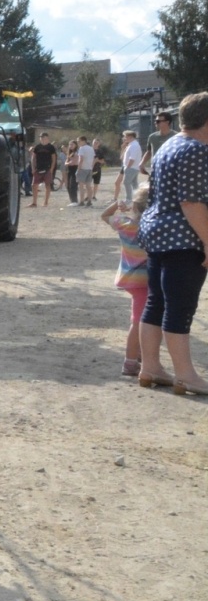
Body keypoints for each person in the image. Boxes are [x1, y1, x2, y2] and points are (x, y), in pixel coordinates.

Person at [135, 91, 208, 395]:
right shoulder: (197, 150)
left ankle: (151, 366)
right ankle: (185, 375)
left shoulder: (169, 146)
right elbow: (192, 203)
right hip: (182, 239)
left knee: (156, 303)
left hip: (157, 235)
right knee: (180, 307)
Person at [101, 185, 150, 377]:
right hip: (145, 281)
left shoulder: (125, 224)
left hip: (129, 279)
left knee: (139, 318)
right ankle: (130, 361)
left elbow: (104, 216)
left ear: (135, 206)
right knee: (140, 321)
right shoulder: (151, 228)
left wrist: (117, 205)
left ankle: (136, 355)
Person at [30, 131, 59, 207]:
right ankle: (34, 202)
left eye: (45, 138)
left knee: (47, 185)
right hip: (38, 168)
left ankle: (46, 202)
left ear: (48, 139)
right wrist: (33, 168)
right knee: (34, 185)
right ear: (40, 139)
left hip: (47, 168)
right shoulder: (37, 147)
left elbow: (54, 159)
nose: (43, 139)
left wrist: (52, 169)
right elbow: (33, 158)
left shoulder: (51, 147)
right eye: (42, 138)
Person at [118, 129, 143, 203]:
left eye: (125, 136)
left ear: (130, 137)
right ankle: (139, 198)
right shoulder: (131, 145)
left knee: (126, 182)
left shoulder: (134, 145)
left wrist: (127, 167)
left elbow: (132, 158)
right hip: (132, 167)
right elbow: (122, 157)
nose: (124, 138)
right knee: (134, 184)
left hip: (131, 167)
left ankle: (129, 199)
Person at [75, 136, 96, 207]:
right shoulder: (91, 148)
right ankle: (89, 201)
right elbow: (93, 159)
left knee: (81, 186)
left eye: (79, 141)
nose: (78, 143)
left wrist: (78, 169)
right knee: (88, 186)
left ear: (83, 141)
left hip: (83, 168)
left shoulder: (82, 148)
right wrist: (91, 167)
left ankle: (82, 201)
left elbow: (81, 159)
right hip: (89, 169)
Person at [64, 139, 81, 206]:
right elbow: (66, 161)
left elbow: (74, 162)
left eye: (72, 144)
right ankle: (72, 200)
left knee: (73, 185)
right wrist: (67, 163)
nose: (70, 146)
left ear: (76, 145)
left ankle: (75, 200)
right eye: (70, 144)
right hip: (69, 170)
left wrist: (67, 163)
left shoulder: (76, 152)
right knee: (68, 185)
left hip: (75, 169)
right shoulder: (70, 153)